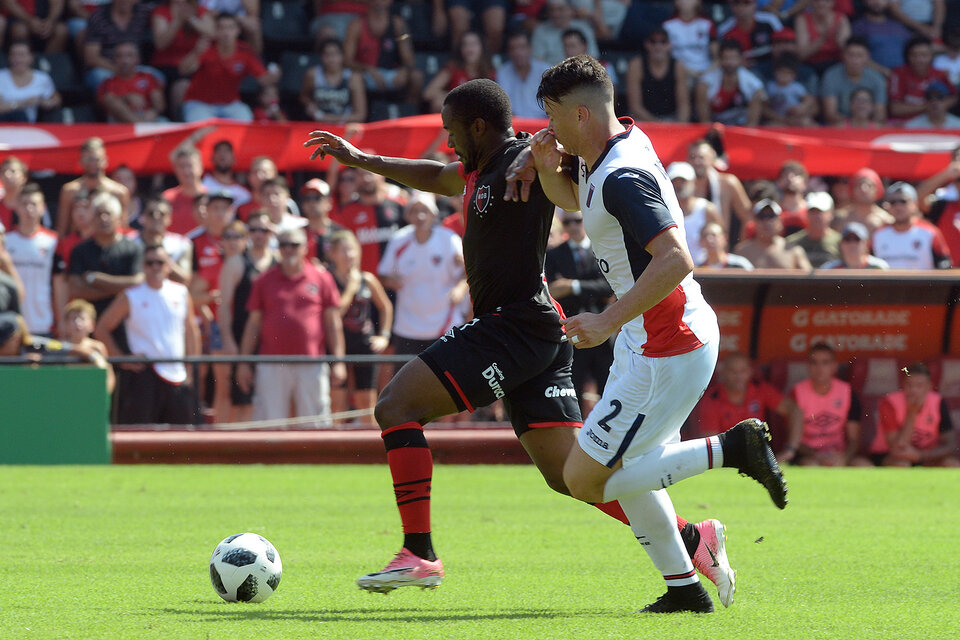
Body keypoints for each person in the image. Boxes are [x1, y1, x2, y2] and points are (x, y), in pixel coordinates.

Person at [305, 78, 742, 605]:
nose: (448, 143)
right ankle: (695, 538)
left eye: (452, 132)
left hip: (515, 326)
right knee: (570, 475)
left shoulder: (520, 156)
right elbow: (439, 176)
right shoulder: (479, 168)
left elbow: (556, 144)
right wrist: (361, 159)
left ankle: (418, 552)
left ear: (480, 127)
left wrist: (535, 159)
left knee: (395, 405)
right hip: (533, 331)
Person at [517, 55, 787, 613]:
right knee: (630, 467)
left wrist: (607, 318)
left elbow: (676, 259)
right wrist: (548, 169)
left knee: (584, 480)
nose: (546, 126)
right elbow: (586, 205)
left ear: (583, 113)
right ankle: (685, 586)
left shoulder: (622, 174)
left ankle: (730, 448)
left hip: (669, 344)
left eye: (551, 115)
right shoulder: (607, 151)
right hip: (649, 340)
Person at [236, 227, 346, 424]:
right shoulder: (264, 279)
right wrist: (244, 362)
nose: (288, 250)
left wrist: (338, 361)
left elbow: (333, 324)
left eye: (294, 245)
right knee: (270, 423)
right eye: (283, 245)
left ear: (305, 247)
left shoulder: (321, 278)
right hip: (272, 363)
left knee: (315, 423)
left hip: (311, 362)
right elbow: (253, 324)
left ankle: (315, 457)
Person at [95, 243, 200, 424]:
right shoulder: (131, 295)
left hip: (177, 371)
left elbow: (191, 331)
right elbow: (102, 328)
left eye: (160, 262)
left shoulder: (181, 293)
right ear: (143, 266)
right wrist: (122, 359)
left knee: (180, 437)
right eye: (150, 263)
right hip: (145, 374)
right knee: (142, 433)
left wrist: (192, 368)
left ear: (169, 266)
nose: (155, 267)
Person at [377, 190, 467, 357]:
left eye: (424, 211)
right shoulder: (399, 240)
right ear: (408, 216)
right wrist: (392, 281)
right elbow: (383, 275)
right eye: (415, 211)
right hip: (408, 326)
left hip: (445, 323)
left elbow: (467, 271)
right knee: (408, 380)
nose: (420, 216)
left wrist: (460, 289)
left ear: (433, 215)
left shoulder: (449, 239)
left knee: (446, 378)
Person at [544, 207, 614, 416]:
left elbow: (609, 287)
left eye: (578, 220)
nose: (573, 226)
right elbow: (551, 290)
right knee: (573, 388)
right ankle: (578, 439)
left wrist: (572, 286)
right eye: (568, 222)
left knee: (608, 387)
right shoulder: (554, 254)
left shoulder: (601, 249)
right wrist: (592, 288)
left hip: (604, 329)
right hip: (572, 330)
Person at [327, 228, 393, 420]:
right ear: (333, 254)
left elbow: (385, 307)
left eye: (353, 249)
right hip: (337, 345)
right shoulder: (328, 279)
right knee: (337, 401)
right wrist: (351, 287)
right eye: (344, 250)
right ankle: (335, 446)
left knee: (367, 401)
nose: (350, 255)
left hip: (364, 343)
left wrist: (384, 336)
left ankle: (370, 447)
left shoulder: (367, 279)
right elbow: (335, 314)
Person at [217, 211, 274, 423]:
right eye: (254, 230)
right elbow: (223, 307)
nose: (259, 235)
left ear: (271, 233)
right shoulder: (236, 263)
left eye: (264, 230)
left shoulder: (279, 262)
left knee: (268, 398)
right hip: (242, 340)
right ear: (248, 234)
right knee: (241, 400)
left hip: (271, 342)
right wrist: (228, 340)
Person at [779, 342, 870, 466]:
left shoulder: (847, 393)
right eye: (814, 363)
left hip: (838, 454)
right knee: (810, 466)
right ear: (808, 366)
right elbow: (794, 439)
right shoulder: (796, 393)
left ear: (834, 366)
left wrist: (844, 457)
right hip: (808, 455)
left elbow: (854, 440)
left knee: (863, 465)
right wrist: (816, 455)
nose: (819, 368)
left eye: (825, 363)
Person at [179, 12, 279, 122]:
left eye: (230, 28)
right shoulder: (206, 48)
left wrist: (275, 75)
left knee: (245, 121)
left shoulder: (245, 52)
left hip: (230, 104)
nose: (226, 33)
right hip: (200, 103)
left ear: (238, 30)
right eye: (222, 28)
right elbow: (183, 70)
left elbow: (263, 79)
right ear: (215, 31)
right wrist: (196, 52)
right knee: (200, 130)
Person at [5, 183, 64, 336]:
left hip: (43, 321)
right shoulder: (5, 241)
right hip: (12, 322)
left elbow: (59, 283)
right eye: (24, 204)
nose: (29, 209)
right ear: (16, 207)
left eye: (34, 204)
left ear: (43, 207)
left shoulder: (53, 242)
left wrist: (61, 319)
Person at [695, 351, 797, 440]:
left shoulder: (760, 388)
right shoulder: (711, 400)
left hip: (757, 453)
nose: (738, 377)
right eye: (733, 372)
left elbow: (794, 410)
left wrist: (790, 450)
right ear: (723, 372)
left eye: (743, 371)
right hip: (726, 456)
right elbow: (711, 444)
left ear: (750, 371)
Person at [877, 361, 958, 467]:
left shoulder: (938, 402)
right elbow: (898, 448)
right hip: (893, 456)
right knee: (902, 464)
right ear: (903, 385)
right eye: (909, 385)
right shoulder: (889, 402)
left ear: (929, 386)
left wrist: (921, 456)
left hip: (927, 455)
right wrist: (912, 413)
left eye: (919, 386)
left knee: (952, 464)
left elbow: (950, 445)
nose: (913, 390)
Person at [342, 0, 420, 103]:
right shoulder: (356, 25)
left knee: (416, 77)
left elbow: (409, 58)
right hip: (365, 74)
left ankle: (407, 112)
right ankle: (361, 114)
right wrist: (368, 69)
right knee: (354, 79)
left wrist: (404, 70)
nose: (379, 2)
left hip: (392, 74)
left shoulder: (399, 24)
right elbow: (346, 61)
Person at [56, 137, 130, 236]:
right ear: (80, 162)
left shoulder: (119, 192)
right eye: (88, 159)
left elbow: (124, 229)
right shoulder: (70, 191)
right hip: (78, 245)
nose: (92, 164)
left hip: (108, 247)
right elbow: (62, 229)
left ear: (105, 161)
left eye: (96, 159)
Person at [687, 139, 752, 245]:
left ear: (712, 158)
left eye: (701, 158)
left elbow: (748, 217)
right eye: (692, 157)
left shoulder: (728, 183)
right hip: (692, 252)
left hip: (721, 251)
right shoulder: (681, 188)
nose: (697, 162)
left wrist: (741, 246)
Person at [872, 181, 951, 270]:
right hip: (885, 284)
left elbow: (944, 265)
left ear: (915, 204)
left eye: (903, 201)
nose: (898, 206)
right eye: (893, 202)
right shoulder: (878, 234)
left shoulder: (930, 233)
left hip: (922, 284)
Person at [82, 0, 154, 89]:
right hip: (105, 68)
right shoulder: (98, 16)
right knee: (102, 79)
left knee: (158, 79)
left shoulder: (144, 13)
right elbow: (91, 57)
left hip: (134, 68)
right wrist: (119, 71)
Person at [625, 29, 690, 123]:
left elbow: (684, 105)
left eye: (663, 42)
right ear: (646, 44)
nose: (658, 46)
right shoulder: (636, 65)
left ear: (669, 45)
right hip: (642, 120)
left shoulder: (678, 66)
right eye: (653, 41)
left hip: (671, 120)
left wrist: (681, 125)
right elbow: (635, 107)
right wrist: (658, 124)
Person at [695, 39, 766, 126]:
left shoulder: (754, 86)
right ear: (720, 59)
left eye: (733, 58)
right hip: (714, 131)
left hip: (742, 132)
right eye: (726, 58)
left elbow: (752, 124)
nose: (730, 62)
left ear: (741, 59)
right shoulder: (705, 84)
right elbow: (705, 121)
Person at [820, 37, 888, 126]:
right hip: (840, 126)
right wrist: (852, 124)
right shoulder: (831, 76)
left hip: (869, 126)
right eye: (850, 55)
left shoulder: (877, 78)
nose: (855, 60)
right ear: (843, 55)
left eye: (859, 55)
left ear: (867, 57)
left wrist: (864, 125)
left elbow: (880, 114)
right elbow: (830, 114)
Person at [888, 36, 956, 124]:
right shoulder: (898, 74)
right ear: (907, 56)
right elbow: (895, 109)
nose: (919, 60)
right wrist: (928, 107)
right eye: (914, 55)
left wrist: (940, 105)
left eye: (924, 55)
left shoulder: (941, 74)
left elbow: (955, 97)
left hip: (934, 123)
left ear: (932, 56)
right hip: (906, 125)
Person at [423, 31, 495, 114]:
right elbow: (428, 93)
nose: (469, 48)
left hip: (479, 118)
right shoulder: (453, 68)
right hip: (454, 114)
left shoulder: (490, 72)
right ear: (461, 49)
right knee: (438, 102)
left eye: (473, 44)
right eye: (465, 44)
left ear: (482, 48)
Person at [301, 37, 368, 124]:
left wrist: (327, 118)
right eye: (327, 55)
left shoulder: (354, 77)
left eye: (336, 54)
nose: (332, 59)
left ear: (342, 56)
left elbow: (360, 115)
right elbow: (304, 96)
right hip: (318, 127)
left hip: (345, 126)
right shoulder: (312, 75)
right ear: (321, 57)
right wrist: (310, 105)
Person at [667, 161, 721, 265]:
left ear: (694, 182)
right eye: (675, 181)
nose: (678, 185)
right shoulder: (665, 211)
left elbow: (720, 241)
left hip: (705, 272)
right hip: (675, 271)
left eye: (683, 181)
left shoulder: (707, 209)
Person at [97, 40, 166, 123]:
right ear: (114, 60)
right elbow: (106, 104)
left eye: (129, 56)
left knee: (163, 120)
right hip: (121, 123)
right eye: (119, 56)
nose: (124, 60)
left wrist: (154, 112)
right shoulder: (108, 82)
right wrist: (126, 98)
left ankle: (141, 125)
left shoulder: (147, 76)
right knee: (110, 99)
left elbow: (160, 104)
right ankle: (140, 125)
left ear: (137, 59)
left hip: (148, 118)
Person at [734, 199, 812, 269]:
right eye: (762, 216)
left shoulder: (794, 251)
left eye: (771, 216)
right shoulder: (742, 251)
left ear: (780, 221)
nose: (766, 221)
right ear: (755, 222)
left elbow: (810, 280)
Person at [60, 298, 116, 393]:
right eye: (73, 319)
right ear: (65, 324)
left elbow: (109, 375)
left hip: (91, 393)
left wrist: (104, 393)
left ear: (92, 325)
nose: (78, 323)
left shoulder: (97, 347)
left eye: (82, 318)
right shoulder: (60, 347)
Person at [133, 197, 192, 284]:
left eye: (161, 214)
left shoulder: (181, 244)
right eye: (151, 213)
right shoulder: (130, 242)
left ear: (169, 218)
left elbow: (185, 279)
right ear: (143, 217)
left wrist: (161, 258)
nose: (156, 217)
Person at [495, 29, 552, 119]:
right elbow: (503, 106)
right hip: (515, 126)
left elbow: (554, 107)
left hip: (543, 125)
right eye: (513, 48)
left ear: (530, 48)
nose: (517, 52)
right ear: (509, 52)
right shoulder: (503, 72)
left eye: (522, 47)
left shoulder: (546, 71)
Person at [0, 40, 61, 123]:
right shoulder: (1, 77)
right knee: (18, 114)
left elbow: (56, 99)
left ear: (31, 57)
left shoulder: (42, 78)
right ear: (8, 57)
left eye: (22, 55)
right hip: (3, 124)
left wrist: (45, 103)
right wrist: (23, 103)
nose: (17, 59)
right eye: (13, 55)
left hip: (30, 127)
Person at [851, 0, 913, 72]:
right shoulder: (859, 27)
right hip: (873, 75)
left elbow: (913, 50)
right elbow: (857, 55)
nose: (877, 2)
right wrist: (884, 71)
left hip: (903, 76)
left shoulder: (898, 26)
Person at [716, 0, 783, 67]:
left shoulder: (770, 20)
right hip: (739, 68)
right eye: (736, 3)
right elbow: (720, 56)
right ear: (731, 6)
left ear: (755, 4)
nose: (741, 7)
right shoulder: (724, 30)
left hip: (771, 64)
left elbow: (784, 44)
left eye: (747, 2)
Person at [662, 0, 717, 82]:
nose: (686, 2)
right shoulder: (667, 25)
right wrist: (687, 71)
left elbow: (717, 57)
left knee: (704, 85)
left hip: (705, 70)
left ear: (698, 2)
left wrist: (707, 72)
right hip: (679, 70)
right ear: (676, 2)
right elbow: (665, 55)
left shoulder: (707, 24)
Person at [532, 0, 598, 66]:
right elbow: (537, 61)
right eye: (552, 9)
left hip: (580, 71)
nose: (555, 14)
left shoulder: (584, 28)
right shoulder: (541, 30)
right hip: (550, 73)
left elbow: (593, 57)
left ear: (570, 10)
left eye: (560, 9)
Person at [785, 192, 840, 268]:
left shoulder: (841, 242)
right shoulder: (792, 243)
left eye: (820, 211)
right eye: (812, 211)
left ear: (831, 214)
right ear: (807, 214)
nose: (816, 216)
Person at [794, 0, 850, 75]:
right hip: (810, 65)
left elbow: (847, 50)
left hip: (836, 63)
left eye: (826, 1)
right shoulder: (802, 19)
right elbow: (801, 55)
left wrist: (839, 40)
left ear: (833, 3)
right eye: (817, 1)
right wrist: (823, 38)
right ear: (811, 2)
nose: (821, 4)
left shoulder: (841, 18)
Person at [831, 167, 892, 235]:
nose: (864, 189)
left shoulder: (887, 221)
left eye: (869, 185)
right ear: (852, 189)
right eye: (859, 185)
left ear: (878, 190)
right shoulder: (839, 219)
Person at [163, 144, 206, 235]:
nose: (186, 171)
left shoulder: (212, 198)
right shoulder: (167, 198)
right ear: (175, 170)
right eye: (182, 166)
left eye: (190, 165)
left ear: (200, 167)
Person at [762, 54, 816, 127]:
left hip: (795, 117)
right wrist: (780, 118)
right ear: (775, 72)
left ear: (794, 76)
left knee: (806, 122)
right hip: (779, 118)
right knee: (769, 126)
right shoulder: (770, 86)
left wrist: (801, 108)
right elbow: (765, 106)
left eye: (788, 73)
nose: (784, 76)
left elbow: (809, 100)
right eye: (781, 72)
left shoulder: (797, 87)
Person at [820, 222, 890, 269]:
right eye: (848, 239)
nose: (852, 244)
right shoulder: (830, 269)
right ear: (841, 244)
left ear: (865, 244)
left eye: (857, 239)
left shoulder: (879, 267)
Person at [0, 156, 28, 230]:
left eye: (13, 171)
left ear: (24, 177)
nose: (7, 175)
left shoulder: (32, 206)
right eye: (3, 171)